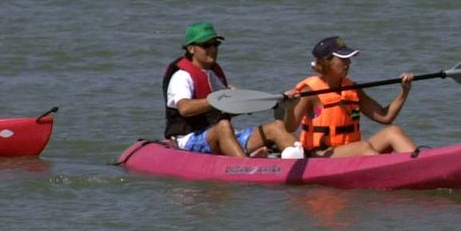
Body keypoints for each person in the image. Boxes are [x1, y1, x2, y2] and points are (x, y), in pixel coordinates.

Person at [162, 21, 299, 157]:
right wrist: (219, 99)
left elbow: (229, 110)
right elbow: (185, 108)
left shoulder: (213, 74)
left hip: (222, 135)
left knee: (276, 127)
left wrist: (279, 101)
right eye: (206, 45)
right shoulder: (182, 76)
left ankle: (302, 160)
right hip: (188, 139)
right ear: (191, 49)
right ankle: (246, 165)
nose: (213, 49)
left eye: (216, 44)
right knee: (224, 126)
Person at [283, 36, 418, 157]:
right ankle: (390, 173)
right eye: (342, 59)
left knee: (393, 132)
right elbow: (290, 128)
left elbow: (385, 116)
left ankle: (421, 164)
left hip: (351, 149)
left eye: (348, 58)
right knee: (363, 147)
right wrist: (289, 108)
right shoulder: (309, 92)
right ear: (326, 62)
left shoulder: (353, 89)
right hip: (322, 154)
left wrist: (404, 92)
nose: (348, 63)